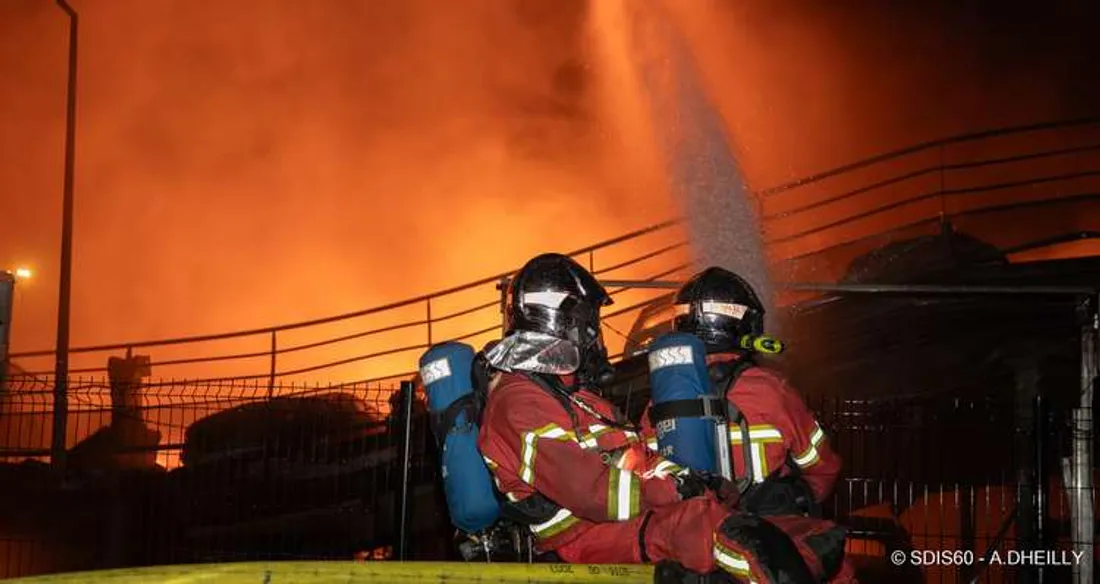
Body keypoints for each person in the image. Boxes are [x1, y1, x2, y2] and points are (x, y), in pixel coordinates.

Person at [476, 253, 843, 583]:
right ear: (564, 321)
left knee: (815, 539)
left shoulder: (580, 401)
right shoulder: (518, 402)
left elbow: (637, 458)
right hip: (587, 536)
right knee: (713, 528)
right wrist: (678, 490)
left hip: (627, 520)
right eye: (591, 322)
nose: (595, 335)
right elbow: (596, 492)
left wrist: (689, 480)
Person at [640, 266, 855, 582]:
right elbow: (822, 467)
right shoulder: (771, 390)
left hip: (692, 548)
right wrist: (794, 500)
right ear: (746, 327)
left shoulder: (658, 403)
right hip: (769, 549)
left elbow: (646, 477)